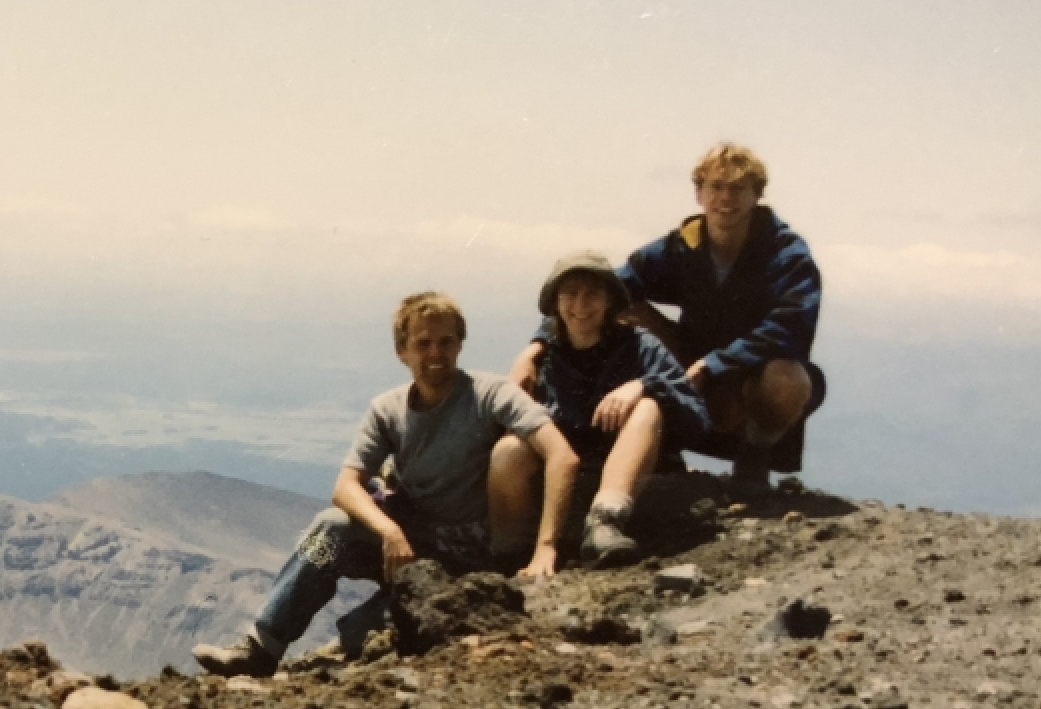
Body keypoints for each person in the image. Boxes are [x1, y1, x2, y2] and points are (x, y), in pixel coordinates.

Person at [191, 291, 578, 678]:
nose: (435, 354)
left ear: (461, 344)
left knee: (362, 639)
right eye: (422, 344)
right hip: (410, 544)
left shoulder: (490, 394)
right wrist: (389, 531)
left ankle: (364, 628)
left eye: (446, 342)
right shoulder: (388, 409)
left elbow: (562, 455)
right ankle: (262, 647)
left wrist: (546, 548)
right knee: (331, 528)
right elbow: (345, 486)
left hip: (472, 556)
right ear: (402, 351)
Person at [513, 142, 825, 494]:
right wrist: (538, 345)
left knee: (789, 378)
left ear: (757, 195)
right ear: (699, 193)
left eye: (738, 188)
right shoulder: (683, 246)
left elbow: (792, 326)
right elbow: (606, 290)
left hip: (746, 376)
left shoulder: (785, 253)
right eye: (715, 186)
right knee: (628, 311)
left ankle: (753, 457)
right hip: (684, 366)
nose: (726, 198)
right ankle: (636, 441)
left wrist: (714, 365)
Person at [494, 252, 709, 567]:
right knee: (509, 449)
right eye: (570, 293)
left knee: (648, 408)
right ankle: (511, 554)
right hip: (565, 469)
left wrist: (644, 386)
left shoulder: (640, 346)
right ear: (555, 303)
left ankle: (605, 521)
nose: (581, 305)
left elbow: (697, 417)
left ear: (610, 301)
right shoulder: (543, 360)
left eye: (593, 293)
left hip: (633, 466)